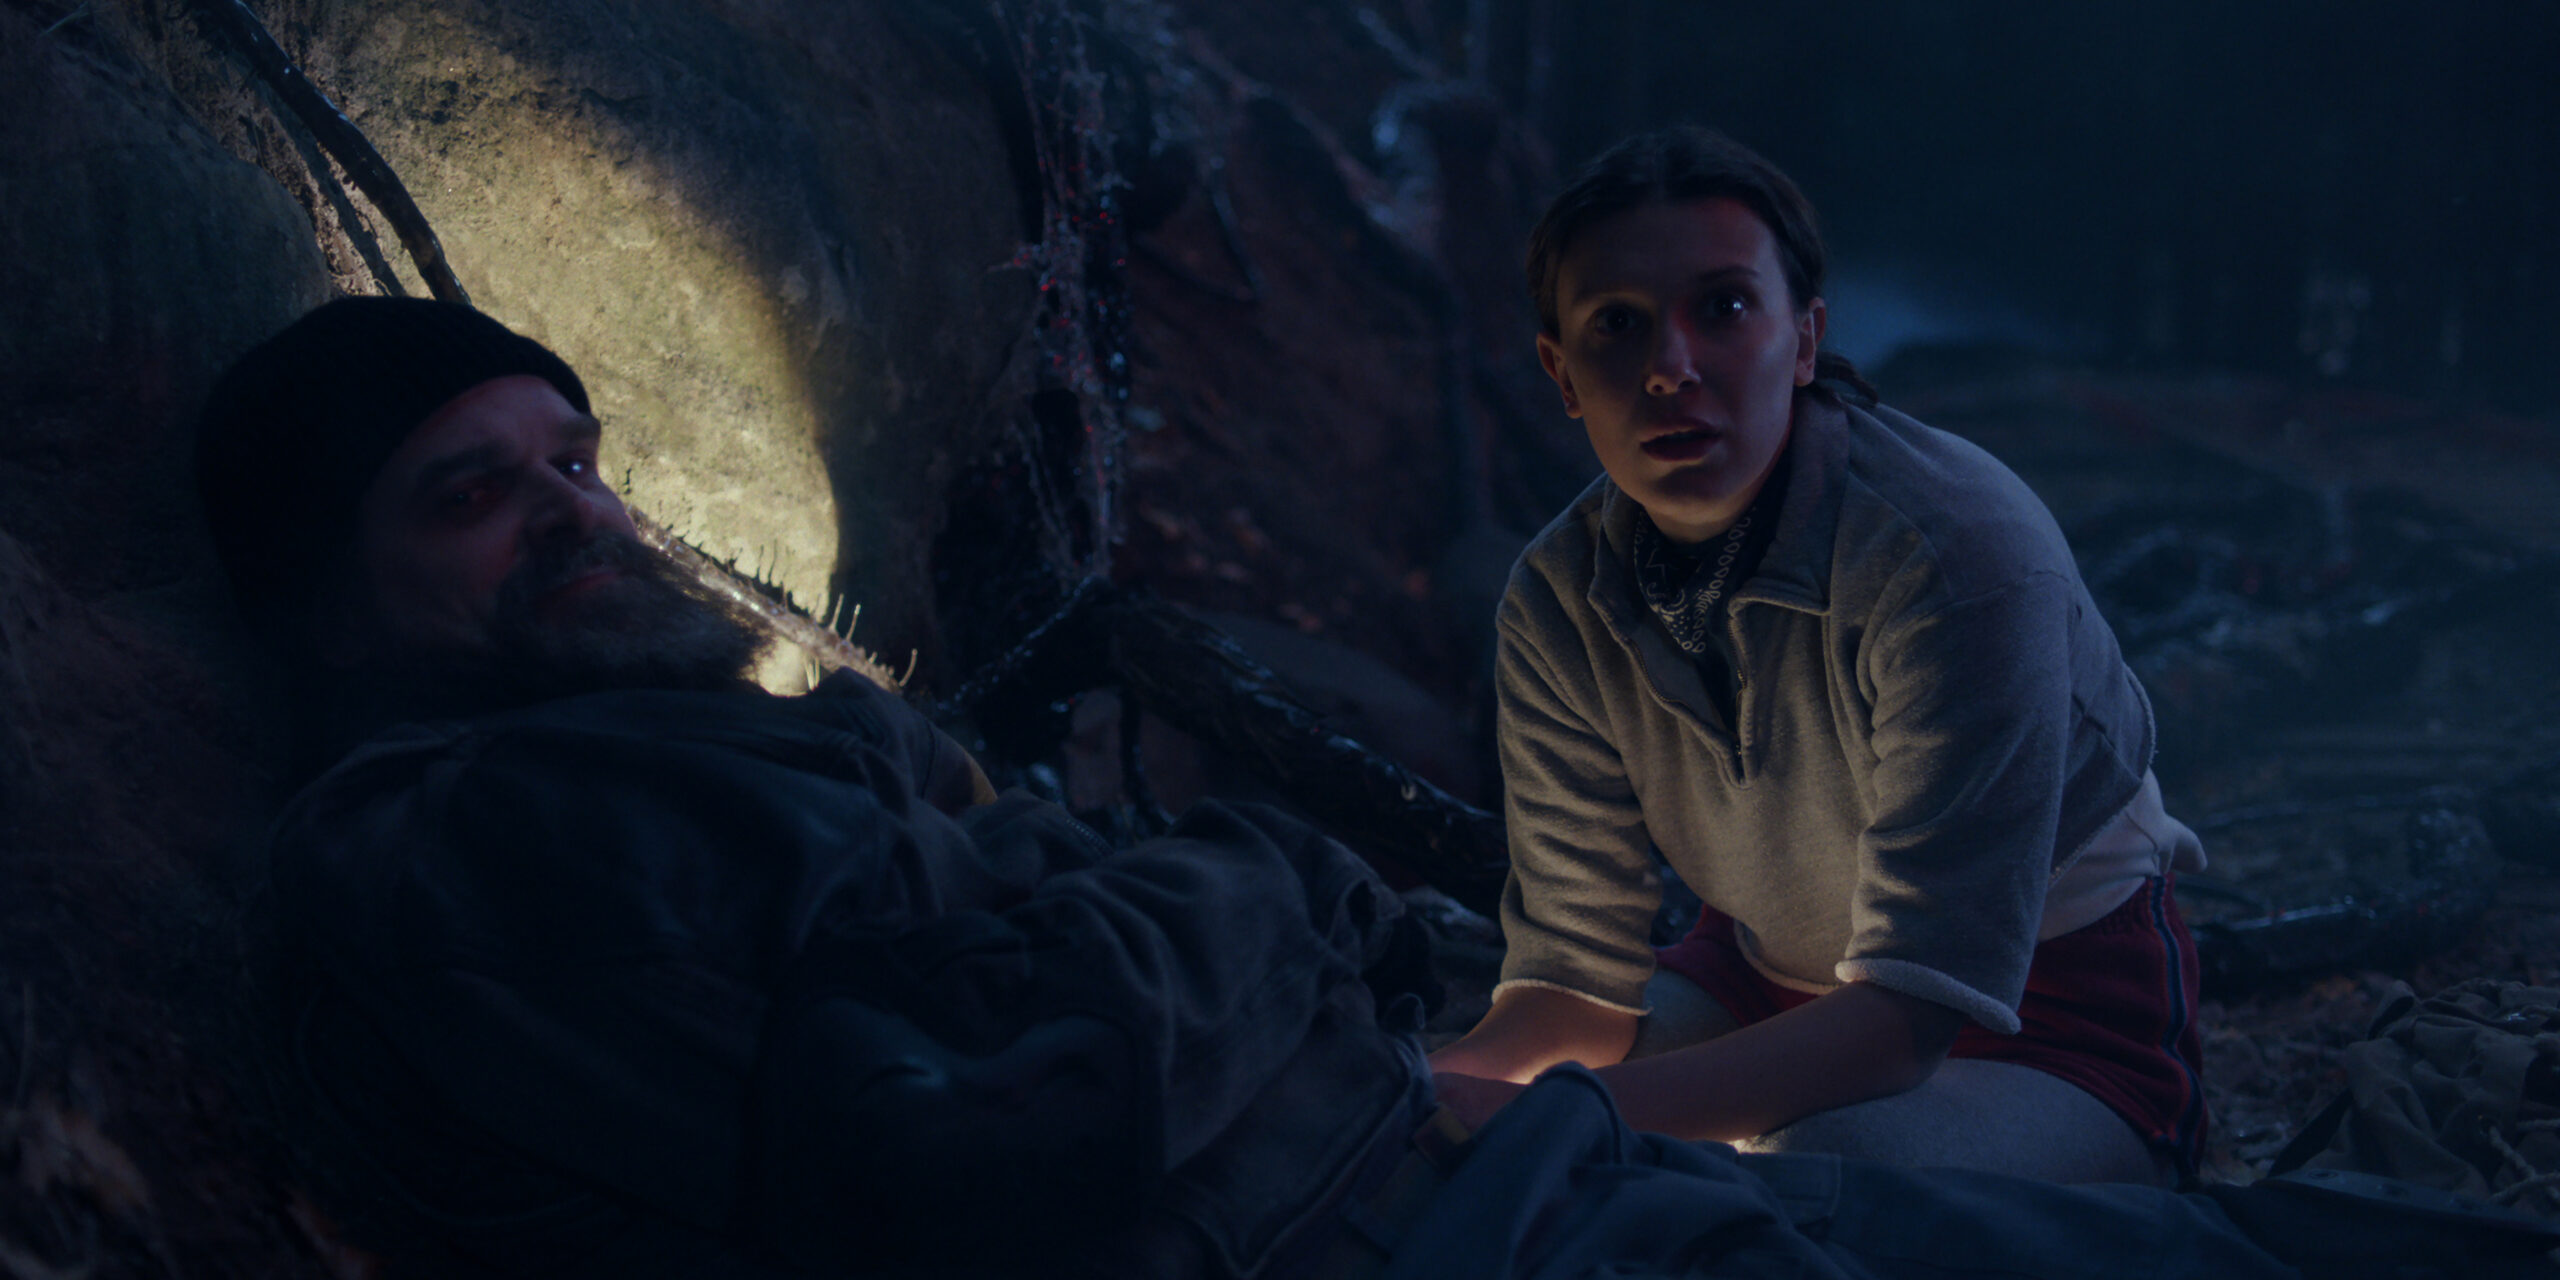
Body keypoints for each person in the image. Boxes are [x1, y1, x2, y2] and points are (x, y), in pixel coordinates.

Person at [196, 296, 2552, 1278]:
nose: (579, 516)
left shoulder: (654, 741)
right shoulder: (459, 845)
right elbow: (968, 1135)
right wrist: (1241, 884)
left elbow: (1014, 966)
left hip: (1450, 1173)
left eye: (574, 459)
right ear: (327, 596)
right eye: (474, 495)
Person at [1429, 126, 2210, 1185]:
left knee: (1819, 1173)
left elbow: (1906, 1019)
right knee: (1463, 1135)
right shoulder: (1559, 600)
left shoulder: (1952, 556)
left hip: (2050, 1022)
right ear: (1561, 374)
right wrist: (1425, 1094)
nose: (1669, 369)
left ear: (1803, 341)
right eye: (1617, 324)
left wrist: (1550, 1118)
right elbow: (1574, 990)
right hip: (1758, 981)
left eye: (1722, 308)